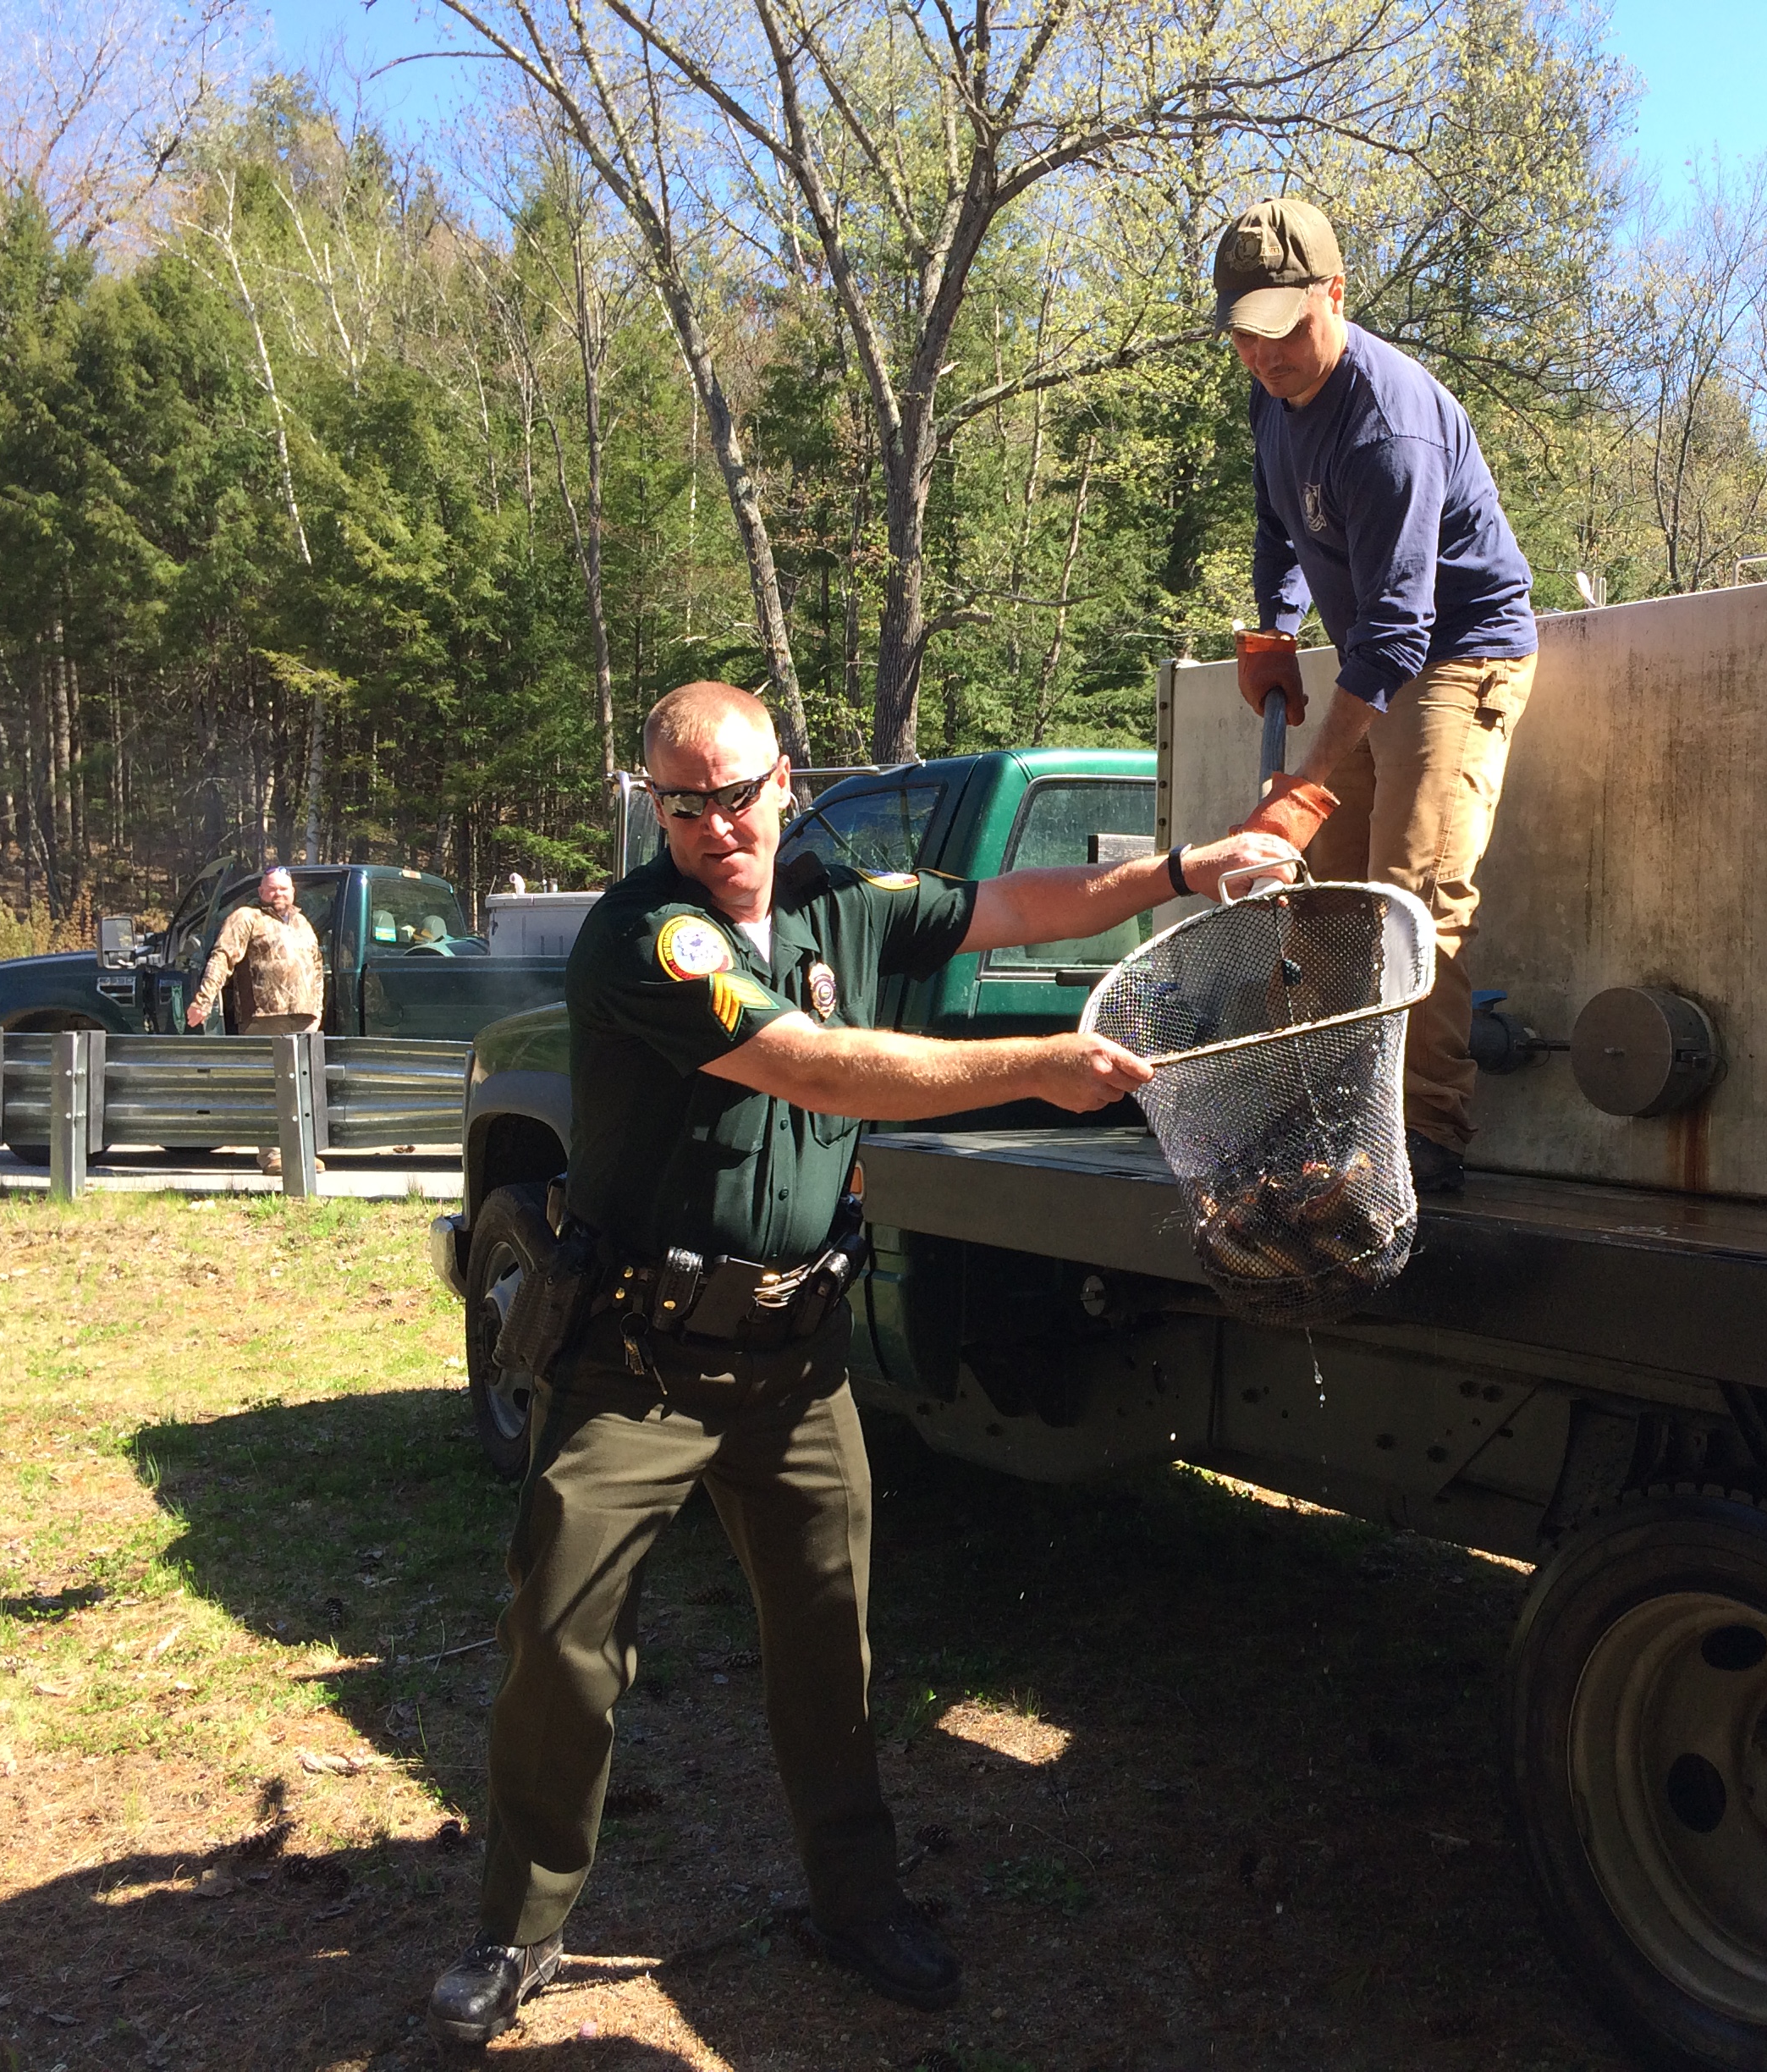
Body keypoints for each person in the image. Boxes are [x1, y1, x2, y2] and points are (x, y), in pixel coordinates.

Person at [427, 681, 1296, 2046]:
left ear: (787, 781)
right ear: (654, 807)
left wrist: (1184, 868)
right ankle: (517, 1927)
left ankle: (856, 1899)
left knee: (829, 1650)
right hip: (637, 1360)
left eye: (736, 794)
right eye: (682, 803)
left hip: (795, 1358)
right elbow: (814, 1067)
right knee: (561, 1641)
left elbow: (1018, 905)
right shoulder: (644, 936)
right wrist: (1036, 1066)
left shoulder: (844, 898)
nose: (716, 825)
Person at [1217, 196, 1540, 1194]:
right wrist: (1273, 626)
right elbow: (1277, 519)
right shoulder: (1273, 399)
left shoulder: (1389, 428)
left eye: (1284, 331)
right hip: (1372, 657)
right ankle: (1319, 1130)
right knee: (1324, 915)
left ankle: (1424, 1141)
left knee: (1410, 901)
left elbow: (1403, 629)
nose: (1266, 358)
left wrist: (1308, 779)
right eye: (1244, 338)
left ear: (1336, 295)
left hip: (1457, 658)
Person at [184, 865, 326, 1174]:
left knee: (304, 1087)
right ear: (261, 892)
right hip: (263, 1018)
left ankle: (302, 1153)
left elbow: (316, 969)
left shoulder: (302, 923)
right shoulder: (246, 918)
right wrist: (203, 1000)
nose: (279, 894)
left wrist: (317, 1011)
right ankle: (272, 1156)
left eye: (284, 889)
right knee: (270, 1088)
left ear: (293, 892)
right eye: (272, 889)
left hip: (303, 1019)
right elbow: (222, 958)